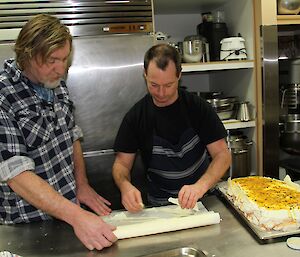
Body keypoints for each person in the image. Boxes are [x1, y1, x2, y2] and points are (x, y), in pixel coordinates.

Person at [0, 14, 117, 250]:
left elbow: (71, 135)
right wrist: (77, 216)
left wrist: (81, 184)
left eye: (65, 59)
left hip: (68, 214)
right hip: (28, 226)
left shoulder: (56, 84)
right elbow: (16, 174)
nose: (61, 69)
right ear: (28, 55)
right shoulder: (4, 96)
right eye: (53, 60)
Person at [112, 44, 231, 212]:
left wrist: (200, 187)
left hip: (203, 199)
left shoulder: (197, 107)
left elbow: (222, 155)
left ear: (179, 76)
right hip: (160, 204)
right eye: (154, 85)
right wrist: (125, 186)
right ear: (145, 75)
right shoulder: (136, 116)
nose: (161, 93)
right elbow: (121, 165)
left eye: (168, 85)